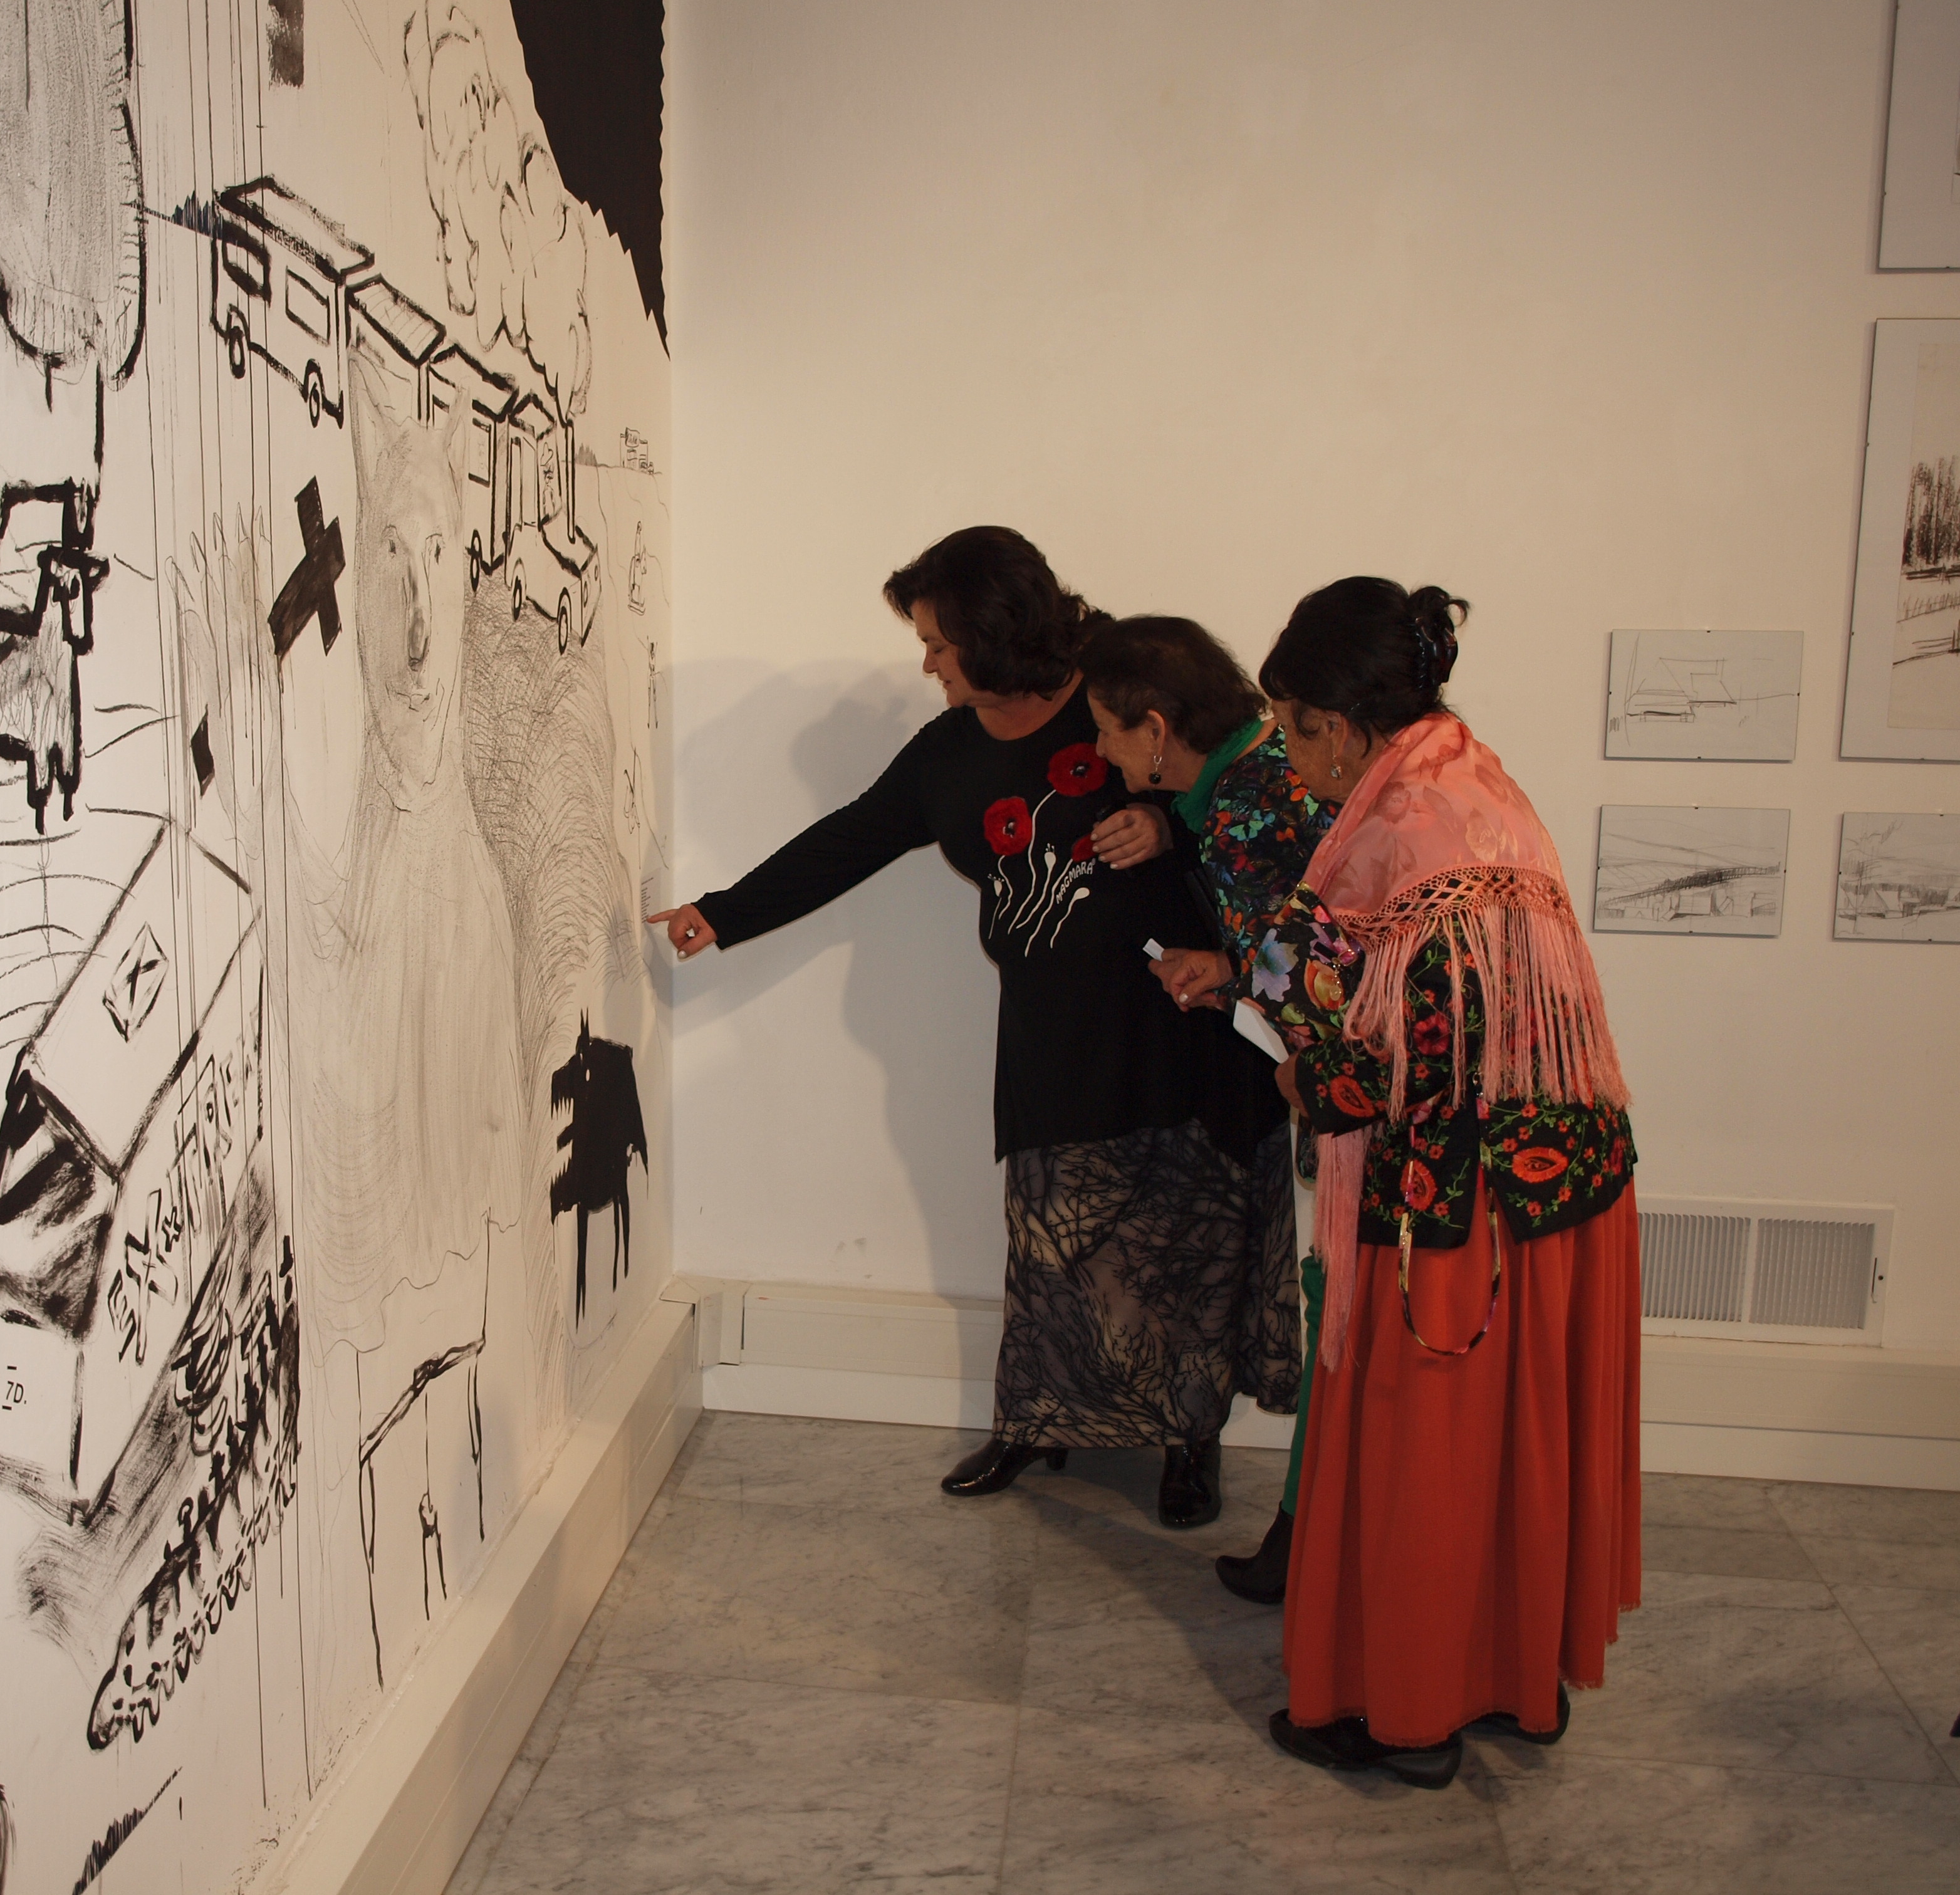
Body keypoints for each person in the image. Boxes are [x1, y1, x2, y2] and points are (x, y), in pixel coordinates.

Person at [647, 528, 1298, 1525]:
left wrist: (1165, 824)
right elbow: (852, 838)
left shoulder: (1114, 685)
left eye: (938, 644)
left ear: (993, 636)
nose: (928, 664)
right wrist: (723, 912)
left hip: (1181, 1021)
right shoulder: (949, 755)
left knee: (1185, 1234)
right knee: (1048, 1236)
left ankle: (1187, 1444)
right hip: (1054, 1030)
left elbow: (1231, 769)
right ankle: (1036, 1423)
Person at [1248, 577, 1640, 1790]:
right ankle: (1519, 1679)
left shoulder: (1399, 828)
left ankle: (1407, 1714)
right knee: (1519, 1447)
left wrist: (1304, 1074)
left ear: (1337, 723)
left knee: (1426, 1454)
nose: (1290, 762)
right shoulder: (1481, 784)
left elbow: (1395, 1056)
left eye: (1291, 731)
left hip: (1448, 1212)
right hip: (1563, 1189)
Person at [1075, 612, 1335, 1602]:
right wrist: (1228, 968)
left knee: (1342, 1316)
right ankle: (1303, 1535)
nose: (1101, 753)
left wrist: (1237, 979)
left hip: (1350, 1091)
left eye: (1107, 730)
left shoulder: (1243, 804)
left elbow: (1320, 966)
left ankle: (1306, 1541)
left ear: (1155, 728)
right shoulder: (1254, 774)